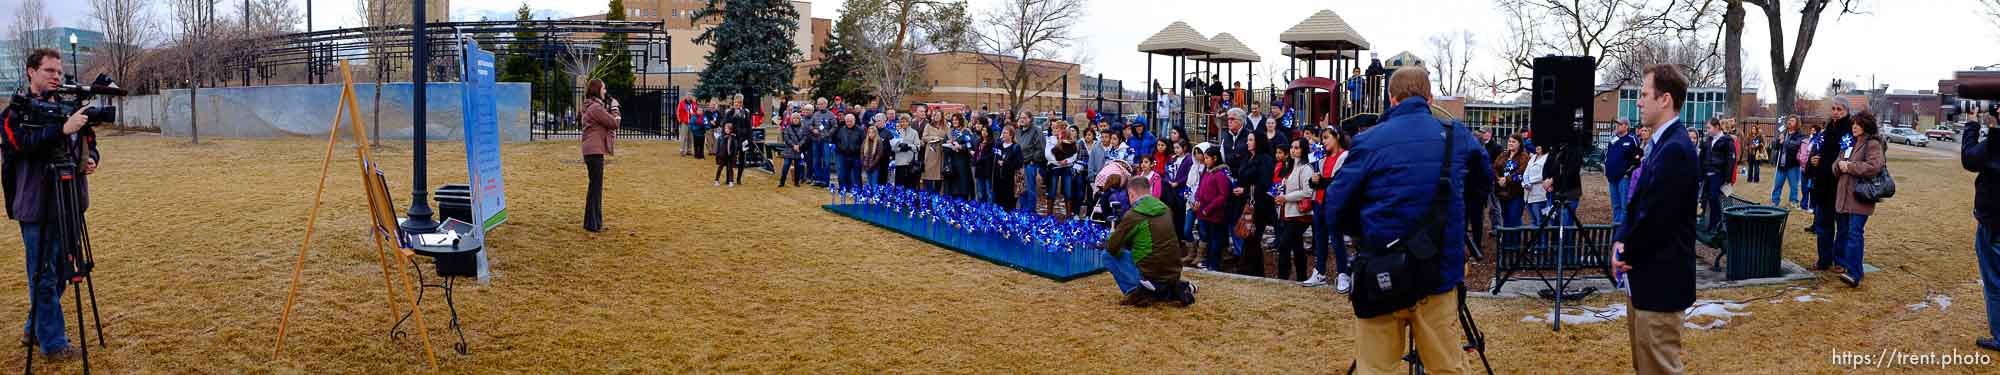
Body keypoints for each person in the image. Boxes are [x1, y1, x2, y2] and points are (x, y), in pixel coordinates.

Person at [1323, 66, 1489, 375]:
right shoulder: (1457, 136)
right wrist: (1455, 218)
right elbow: (1483, 185)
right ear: (1430, 97)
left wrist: (1367, 233)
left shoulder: (1369, 140)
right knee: (1448, 368)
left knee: (1375, 368)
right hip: (1438, 273)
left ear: (1391, 99)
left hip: (1381, 270)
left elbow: (1335, 205)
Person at [3, 48, 98, 359]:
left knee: (62, 271)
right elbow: (17, 145)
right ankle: (54, 344)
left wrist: (92, 158)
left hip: (69, 200)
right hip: (35, 205)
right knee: (42, 275)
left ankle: (35, 327)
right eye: (49, 71)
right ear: (31, 71)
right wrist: (60, 129)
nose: (56, 77)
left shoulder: (72, 109)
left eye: (59, 72)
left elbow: (89, 142)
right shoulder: (14, 113)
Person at [1614, 64, 1701, 375]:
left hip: (1660, 282)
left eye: (1643, 94)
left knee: (1659, 368)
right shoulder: (1659, 143)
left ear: (1665, 99)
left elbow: (1658, 219)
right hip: (1643, 278)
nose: (1638, 101)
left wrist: (1627, 253)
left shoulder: (1676, 148)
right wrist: (1620, 240)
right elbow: (1637, 203)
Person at [1100, 176, 1197, 306]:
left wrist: (1112, 236)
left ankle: (1136, 292)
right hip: (1173, 271)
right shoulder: (1165, 209)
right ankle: (1169, 288)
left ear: (1131, 194)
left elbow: (1112, 247)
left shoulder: (1134, 214)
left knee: (1107, 255)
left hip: (1151, 273)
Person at [1960, 108, 2000, 352]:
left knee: (1995, 282)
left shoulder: (1996, 143)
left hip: (1994, 224)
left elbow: (1969, 159)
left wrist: (1972, 124)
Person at [1832, 111, 1886, 287]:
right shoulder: (1848, 141)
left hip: (1860, 196)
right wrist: (1839, 166)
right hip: (1844, 196)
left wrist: (1850, 167)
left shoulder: (1872, 144)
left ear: (1866, 125)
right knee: (1846, 233)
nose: (1854, 126)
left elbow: (1874, 167)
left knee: (1855, 234)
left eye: (1858, 124)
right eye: (1853, 123)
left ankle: (1854, 273)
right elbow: (1837, 164)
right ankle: (1852, 268)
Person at [1811, 98, 1857, 272]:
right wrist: (1813, 160)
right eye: (1833, 108)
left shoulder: (1849, 130)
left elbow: (1847, 154)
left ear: (1846, 111)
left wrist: (1829, 163)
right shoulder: (1827, 129)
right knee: (1823, 224)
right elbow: (1820, 149)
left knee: (1842, 226)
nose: (1836, 112)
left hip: (1839, 184)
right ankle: (1824, 259)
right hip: (1823, 183)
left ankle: (1840, 260)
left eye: (1839, 109)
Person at [1274, 139, 1316, 281]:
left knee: (1284, 245)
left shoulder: (1306, 168)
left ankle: (1283, 278)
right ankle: (1301, 277)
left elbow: (1308, 192)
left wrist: (1286, 197)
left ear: (1303, 150)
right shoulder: (1291, 167)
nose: (1293, 150)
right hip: (1290, 212)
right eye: (1292, 147)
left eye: (1297, 148)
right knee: (1297, 247)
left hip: (1300, 214)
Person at [1234, 134, 1275, 277]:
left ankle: (1244, 270)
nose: (1247, 142)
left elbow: (1264, 184)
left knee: (1253, 237)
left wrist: (1245, 190)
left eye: (1251, 139)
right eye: (1248, 139)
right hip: (1245, 202)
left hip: (1260, 204)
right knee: (1250, 238)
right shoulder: (1246, 158)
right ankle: (1257, 272)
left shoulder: (1266, 160)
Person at [1192, 146, 1234, 271]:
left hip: (1215, 214)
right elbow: (1200, 188)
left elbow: (1223, 195)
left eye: (1207, 158)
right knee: (1208, 240)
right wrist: (1197, 200)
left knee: (1216, 241)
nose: (1205, 161)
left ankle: (1214, 265)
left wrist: (1209, 208)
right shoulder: (1207, 172)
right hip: (1204, 212)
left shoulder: (1220, 175)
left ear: (1215, 158)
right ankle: (1209, 262)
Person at [1606, 120, 1641, 226]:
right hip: (1611, 177)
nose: (1617, 126)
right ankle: (1617, 225)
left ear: (1626, 126)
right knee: (1615, 205)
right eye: (1616, 124)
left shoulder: (1632, 139)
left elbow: (1637, 157)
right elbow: (1607, 154)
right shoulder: (1613, 139)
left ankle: (1623, 230)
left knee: (1624, 205)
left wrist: (1627, 173)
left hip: (1623, 177)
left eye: (1619, 124)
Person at [1494, 135, 1530, 228]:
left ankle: (1514, 242)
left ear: (1520, 143)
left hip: (1516, 194)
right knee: (1506, 220)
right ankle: (1506, 242)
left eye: (1513, 142)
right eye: (1509, 141)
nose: (1510, 143)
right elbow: (1494, 168)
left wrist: (1507, 179)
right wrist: (1498, 179)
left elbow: (1522, 172)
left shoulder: (1524, 156)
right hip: (1502, 193)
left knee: (1514, 220)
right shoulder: (1503, 154)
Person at [1772, 116, 1805, 207]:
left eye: (1792, 121)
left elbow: (1796, 145)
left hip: (1792, 165)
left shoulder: (1799, 135)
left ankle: (1793, 201)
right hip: (1781, 164)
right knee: (1778, 184)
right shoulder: (1783, 132)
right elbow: (1775, 146)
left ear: (1797, 123)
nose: (1789, 122)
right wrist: (1778, 141)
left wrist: (1785, 142)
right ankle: (1775, 201)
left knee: (1794, 185)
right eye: (1789, 120)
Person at [1018, 114, 1048, 213]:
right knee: (1021, 189)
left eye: (1024, 118)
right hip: (1020, 164)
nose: (1022, 120)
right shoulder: (1019, 131)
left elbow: (1041, 148)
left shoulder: (1036, 131)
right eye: (1021, 118)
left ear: (1030, 119)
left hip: (1030, 163)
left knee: (1030, 188)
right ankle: (1023, 210)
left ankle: (1030, 211)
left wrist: (1033, 160)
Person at [778, 113, 810, 187]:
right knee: (786, 165)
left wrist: (799, 145)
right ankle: (782, 181)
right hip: (789, 150)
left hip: (799, 150)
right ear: (792, 119)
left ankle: (796, 181)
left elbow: (805, 138)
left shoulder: (803, 128)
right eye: (794, 118)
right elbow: (786, 138)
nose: (796, 120)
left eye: (797, 118)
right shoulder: (788, 128)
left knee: (798, 167)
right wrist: (793, 145)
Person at [1522, 144, 1550, 227]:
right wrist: (1524, 183)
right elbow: (1525, 173)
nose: (1537, 147)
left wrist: (1529, 181)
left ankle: (1542, 240)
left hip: (1540, 196)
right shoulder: (1533, 157)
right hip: (1528, 195)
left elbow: (1543, 175)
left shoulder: (1548, 158)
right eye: (1536, 145)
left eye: (1540, 145)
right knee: (1532, 221)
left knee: (1540, 222)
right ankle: (1534, 240)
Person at [860, 119, 890, 187]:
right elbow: (862, 152)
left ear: (875, 133)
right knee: (869, 182)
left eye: (872, 132)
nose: (871, 134)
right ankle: (869, 195)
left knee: (874, 183)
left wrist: (872, 165)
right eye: (869, 132)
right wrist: (863, 162)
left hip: (875, 166)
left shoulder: (879, 141)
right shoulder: (865, 141)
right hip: (866, 165)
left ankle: (875, 196)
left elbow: (879, 155)